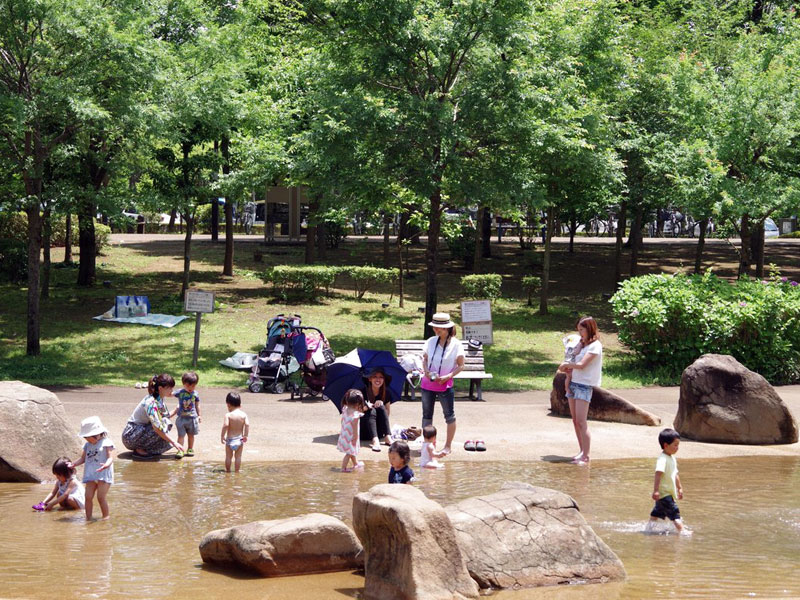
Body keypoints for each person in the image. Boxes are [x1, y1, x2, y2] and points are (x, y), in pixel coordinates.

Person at [557, 316, 602, 466]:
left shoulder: (595, 346)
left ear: (589, 329)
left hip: (584, 385)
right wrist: (578, 347)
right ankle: (581, 451)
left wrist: (566, 366)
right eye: (579, 330)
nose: (580, 333)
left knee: (582, 421)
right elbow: (575, 358)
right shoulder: (582, 344)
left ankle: (586, 455)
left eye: (582, 330)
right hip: (573, 382)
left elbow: (582, 365)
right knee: (575, 421)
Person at [421, 312, 465, 455]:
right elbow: (425, 359)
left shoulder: (456, 345)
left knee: (449, 415)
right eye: (434, 327)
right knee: (427, 415)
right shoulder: (431, 341)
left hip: (445, 384)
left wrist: (449, 376)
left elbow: (461, 365)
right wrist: (426, 371)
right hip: (428, 384)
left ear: (447, 329)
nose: (436, 330)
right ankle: (428, 445)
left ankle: (447, 446)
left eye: (439, 328)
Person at [122, 374, 184, 459]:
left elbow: (165, 416)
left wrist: (178, 409)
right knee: (162, 425)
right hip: (131, 435)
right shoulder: (151, 403)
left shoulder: (159, 398)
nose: (171, 390)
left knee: (165, 423)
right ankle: (139, 450)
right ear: (160, 388)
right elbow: (156, 427)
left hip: (139, 432)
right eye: (169, 388)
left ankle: (144, 448)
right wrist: (174, 442)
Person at [71, 416, 114, 520]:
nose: (87, 439)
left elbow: (110, 457)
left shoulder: (106, 442)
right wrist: (73, 464)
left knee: (101, 497)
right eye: (85, 437)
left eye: (88, 436)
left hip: (103, 474)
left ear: (97, 434)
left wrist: (106, 465)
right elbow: (82, 459)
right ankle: (88, 518)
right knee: (88, 497)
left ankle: (105, 518)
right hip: (91, 474)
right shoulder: (87, 445)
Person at [649, 428, 685, 533]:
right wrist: (655, 490)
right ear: (665, 445)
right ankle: (683, 532)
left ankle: (648, 530)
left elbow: (675, 474)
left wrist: (679, 488)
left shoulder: (672, 458)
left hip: (667, 494)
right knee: (675, 514)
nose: (677, 448)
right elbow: (658, 474)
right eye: (675, 445)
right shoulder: (662, 459)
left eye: (678, 445)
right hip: (664, 494)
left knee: (656, 513)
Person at [360, 367, 394, 452]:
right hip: (363, 430)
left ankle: (387, 437)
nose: (378, 379)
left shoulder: (386, 393)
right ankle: (375, 441)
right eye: (375, 376)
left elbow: (387, 414)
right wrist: (367, 407)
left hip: (379, 432)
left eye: (381, 377)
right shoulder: (362, 393)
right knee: (372, 410)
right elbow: (355, 412)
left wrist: (381, 404)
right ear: (370, 379)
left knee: (381, 407)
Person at [170, 371, 201, 458]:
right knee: (181, 435)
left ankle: (190, 448)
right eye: (188, 385)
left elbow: (197, 405)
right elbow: (170, 394)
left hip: (192, 418)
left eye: (193, 386)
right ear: (183, 384)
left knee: (191, 435)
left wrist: (199, 415)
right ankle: (180, 450)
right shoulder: (180, 392)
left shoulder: (195, 393)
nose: (191, 388)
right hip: (181, 418)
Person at [337, 389, 365, 473]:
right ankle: (343, 468)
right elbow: (355, 428)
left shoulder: (345, 409)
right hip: (351, 436)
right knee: (349, 453)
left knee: (352, 451)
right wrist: (355, 437)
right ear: (358, 404)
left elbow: (342, 421)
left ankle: (355, 463)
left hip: (345, 434)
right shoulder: (355, 415)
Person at [221, 392, 249, 473]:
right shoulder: (244, 415)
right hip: (239, 439)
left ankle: (228, 471)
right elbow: (247, 424)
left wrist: (222, 436)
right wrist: (245, 435)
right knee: (238, 457)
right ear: (240, 405)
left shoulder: (228, 415)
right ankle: (237, 471)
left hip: (230, 440)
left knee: (228, 457)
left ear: (228, 404)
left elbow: (225, 425)